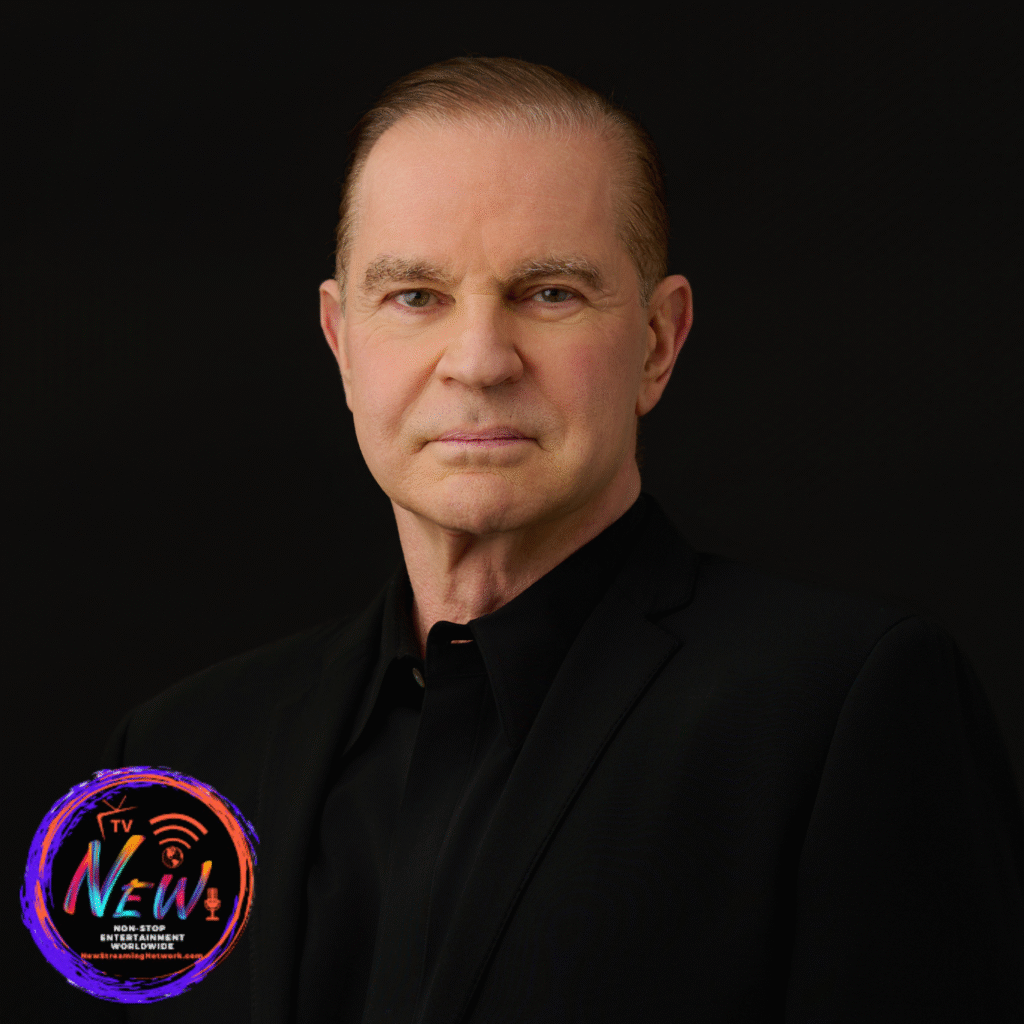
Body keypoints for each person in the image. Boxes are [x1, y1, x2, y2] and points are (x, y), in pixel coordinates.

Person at [86, 56, 1020, 1022]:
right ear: (342, 343)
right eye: (416, 296)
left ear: (658, 341)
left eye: (549, 293)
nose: (479, 362)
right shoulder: (173, 756)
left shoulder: (838, 713)